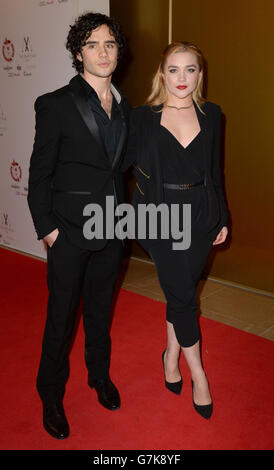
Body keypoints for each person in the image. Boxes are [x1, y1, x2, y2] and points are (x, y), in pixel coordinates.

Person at [27, 12, 129, 439]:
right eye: (92, 45)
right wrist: (49, 230)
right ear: (77, 53)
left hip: (113, 233)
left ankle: (98, 376)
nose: (102, 52)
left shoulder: (127, 109)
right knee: (61, 319)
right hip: (68, 233)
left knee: (101, 315)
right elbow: (38, 175)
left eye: (109, 43)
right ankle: (50, 394)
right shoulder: (54, 104)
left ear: (117, 52)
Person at [126, 42, 228, 419]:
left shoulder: (213, 115)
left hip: (202, 214)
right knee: (184, 297)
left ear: (200, 75)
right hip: (159, 217)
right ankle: (199, 376)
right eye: (174, 69)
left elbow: (216, 170)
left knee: (179, 290)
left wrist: (223, 216)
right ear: (162, 73)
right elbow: (118, 161)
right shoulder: (142, 117)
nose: (182, 78)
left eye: (190, 69)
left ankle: (171, 355)